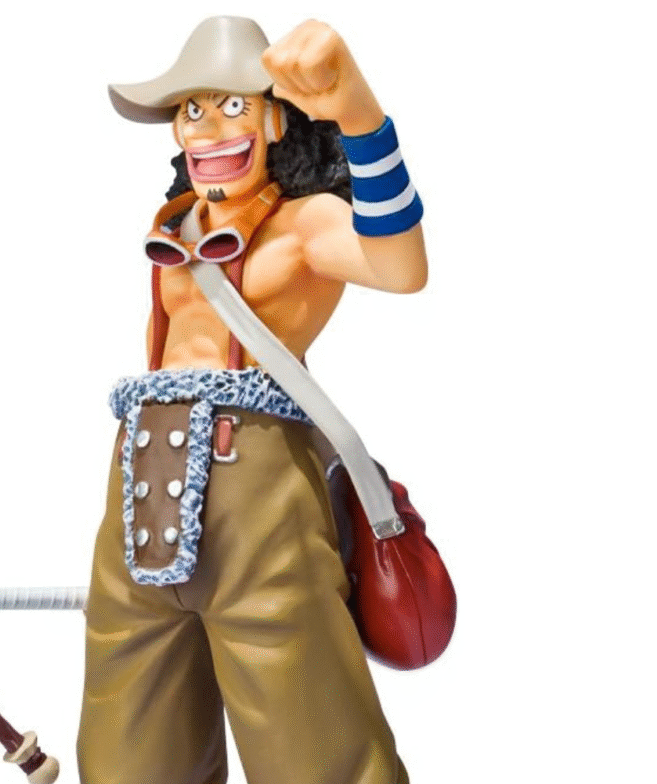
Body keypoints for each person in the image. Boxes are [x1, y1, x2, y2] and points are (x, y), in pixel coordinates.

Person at [78, 16, 427, 784]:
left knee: (310, 740)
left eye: (233, 105)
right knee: (128, 743)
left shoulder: (305, 225)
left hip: (258, 490)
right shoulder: (175, 227)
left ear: (276, 120)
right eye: (191, 109)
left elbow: (401, 266)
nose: (207, 127)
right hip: (140, 484)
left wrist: (361, 117)